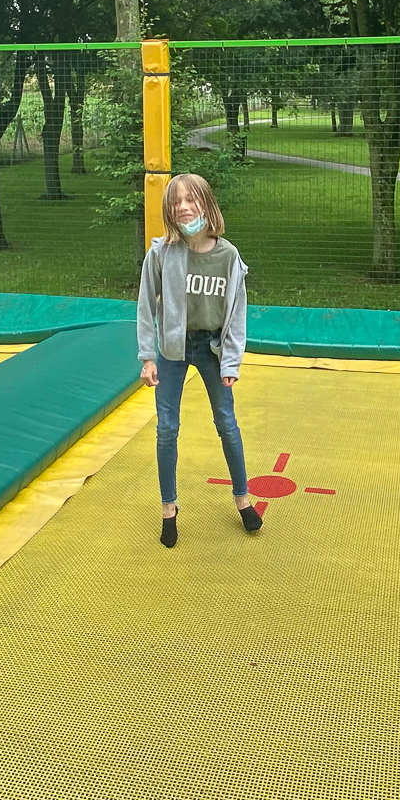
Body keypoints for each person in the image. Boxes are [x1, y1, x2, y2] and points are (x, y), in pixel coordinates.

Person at [136, 172, 257, 549]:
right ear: (169, 211)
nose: (184, 207)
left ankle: (243, 499)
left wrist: (231, 362)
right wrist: (147, 357)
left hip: (212, 349)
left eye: (191, 200)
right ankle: (168, 508)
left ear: (207, 204)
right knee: (166, 428)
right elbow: (145, 305)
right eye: (176, 202)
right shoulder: (162, 253)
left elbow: (236, 313)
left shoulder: (228, 256)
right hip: (172, 349)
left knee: (226, 422)